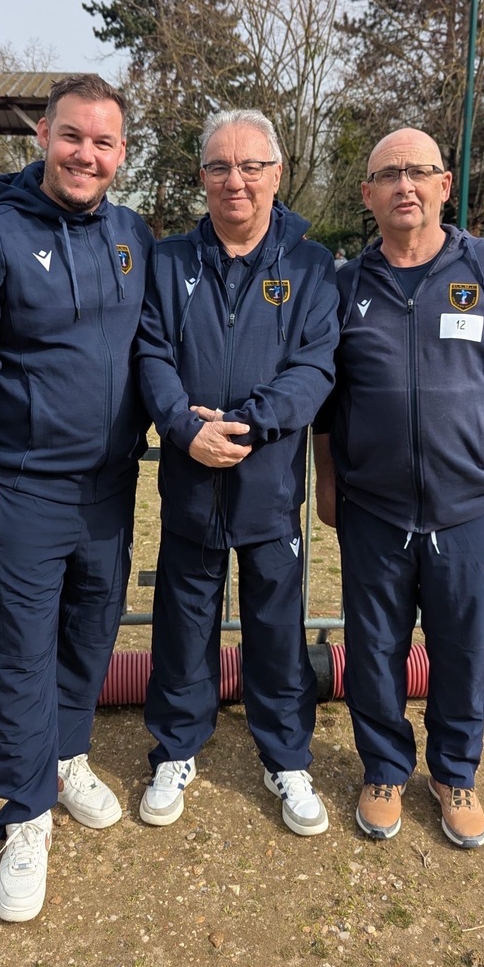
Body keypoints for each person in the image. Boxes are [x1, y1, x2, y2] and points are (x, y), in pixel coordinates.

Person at [0, 73, 152, 922]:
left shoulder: (132, 235)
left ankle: (64, 757)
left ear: (121, 153)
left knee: (93, 630)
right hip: (25, 487)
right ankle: (25, 814)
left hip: (112, 485)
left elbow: (156, 346)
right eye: (72, 137)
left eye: (103, 142)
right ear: (42, 137)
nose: (85, 155)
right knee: (22, 649)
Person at [313, 128, 484, 849]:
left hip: (470, 508)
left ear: (445, 185)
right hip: (374, 509)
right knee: (374, 648)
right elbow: (325, 402)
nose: (405, 186)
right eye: (389, 175)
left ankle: (454, 773)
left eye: (419, 172)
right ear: (368, 194)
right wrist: (328, 483)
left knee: (462, 650)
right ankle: (385, 768)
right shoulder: (344, 285)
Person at [136, 109, 339, 837]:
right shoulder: (168, 261)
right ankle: (176, 749)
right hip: (191, 480)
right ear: (202, 177)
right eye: (221, 166)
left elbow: (315, 366)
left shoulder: (312, 266)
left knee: (276, 629)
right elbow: (150, 353)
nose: (236, 181)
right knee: (183, 624)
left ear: (277, 174)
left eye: (252, 166)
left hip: (270, 485)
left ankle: (286, 757)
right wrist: (185, 427)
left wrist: (246, 425)